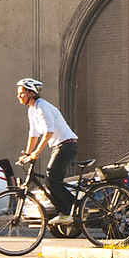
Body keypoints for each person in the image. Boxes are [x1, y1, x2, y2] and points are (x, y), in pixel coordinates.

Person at [16, 78, 79, 220]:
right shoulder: (32, 110)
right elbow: (33, 134)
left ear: (31, 93)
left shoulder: (42, 107)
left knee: (51, 180)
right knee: (53, 182)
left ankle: (66, 213)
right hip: (59, 146)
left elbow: (48, 131)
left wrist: (36, 153)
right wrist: (27, 153)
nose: (18, 96)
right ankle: (78, 207)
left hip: (66, 145)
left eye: (21, 93)